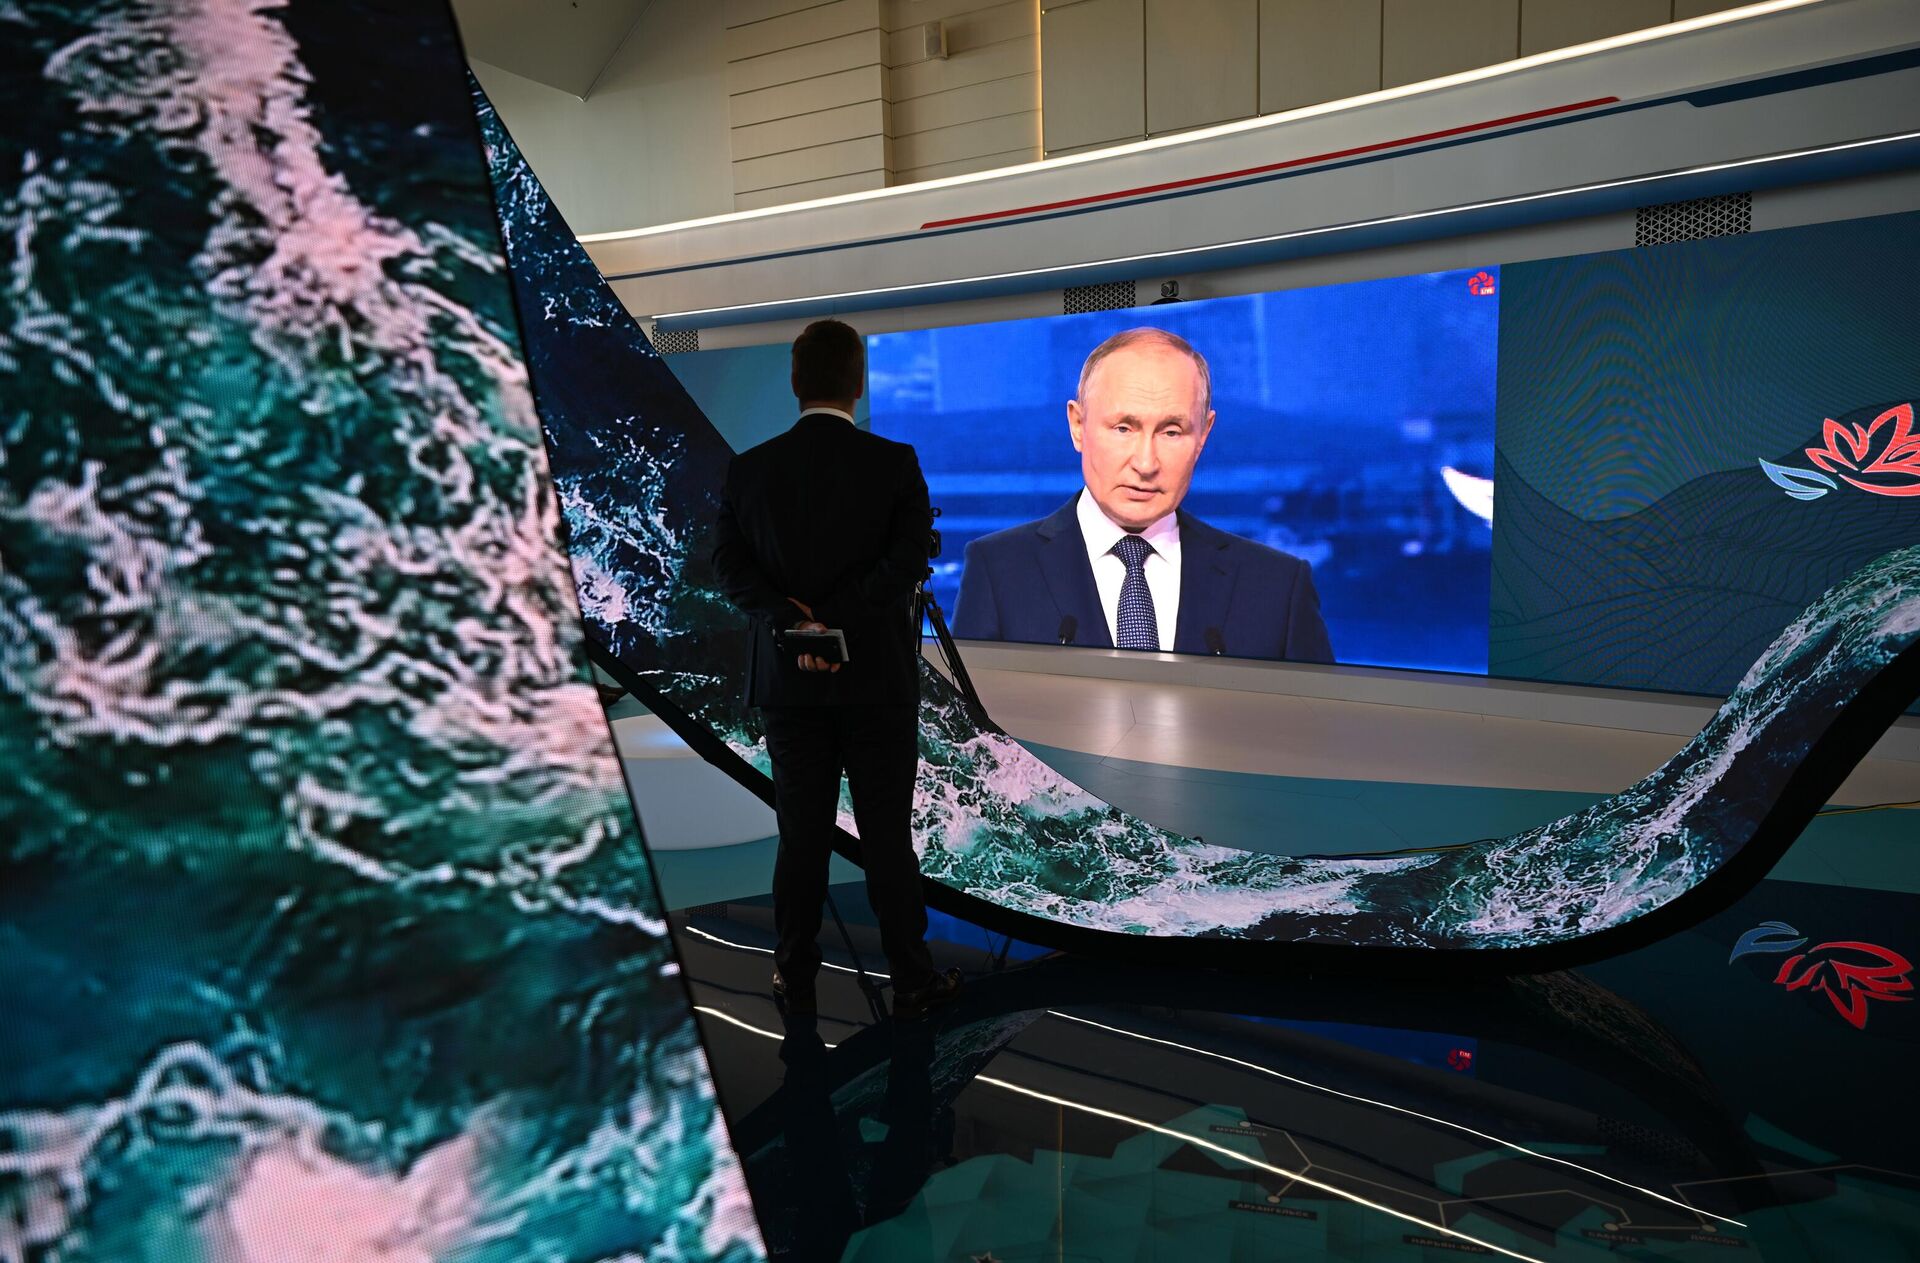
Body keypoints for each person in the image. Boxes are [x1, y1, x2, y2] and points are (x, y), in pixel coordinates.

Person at [711, 318, 962, 1021]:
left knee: (801, 834)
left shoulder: (749, 470)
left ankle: (794, 973)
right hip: (875, 683)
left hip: (790, 684)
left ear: (796, 384)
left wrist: (794, 622)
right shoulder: (896, 463)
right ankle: (911, 977)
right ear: (858, 384)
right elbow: (907, 559)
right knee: (888, 837)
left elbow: (729, 565)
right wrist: (843, 620)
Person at [951, 327, 1333, 662]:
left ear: (1203, 435)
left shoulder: (1278, 586)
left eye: (1171, 432)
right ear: (1078, 426)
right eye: (1123, 428)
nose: (1146, 462)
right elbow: (968, 741)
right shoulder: (998, 570)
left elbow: (1319, 732)